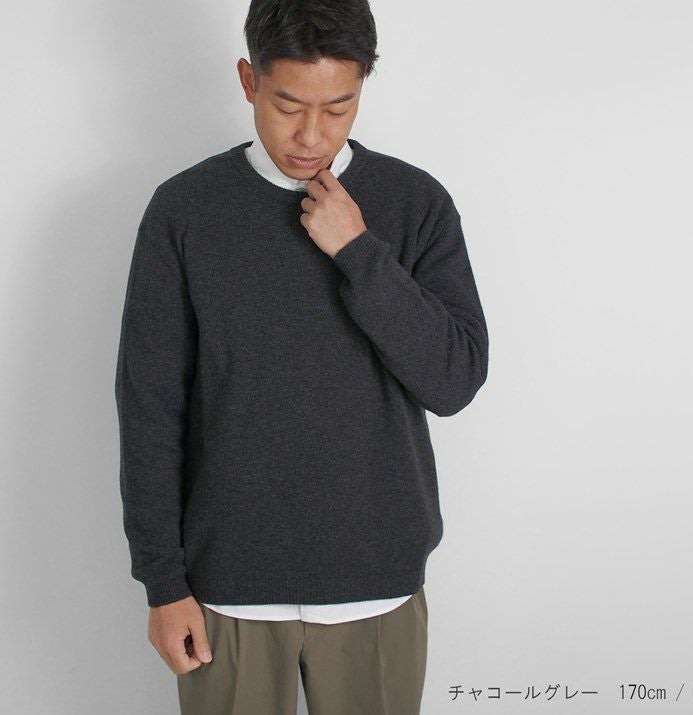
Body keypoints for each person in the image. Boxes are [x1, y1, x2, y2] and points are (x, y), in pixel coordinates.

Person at [114, 1, 489, 712]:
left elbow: (454, 380)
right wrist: (162, 582)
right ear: (248, 79)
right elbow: (149, 409)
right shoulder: (185, 210)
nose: (311, 135)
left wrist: (358, 252)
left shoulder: (414, 203)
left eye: (338, 108)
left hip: (376, 581)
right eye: (288, 105)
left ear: (361, 88)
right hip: (225, 590)